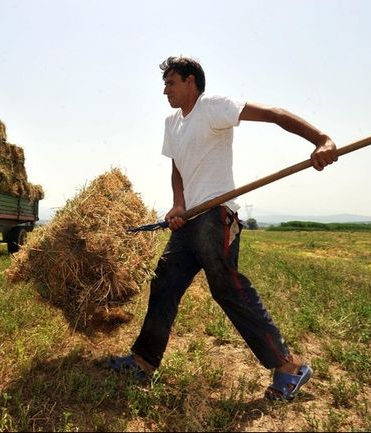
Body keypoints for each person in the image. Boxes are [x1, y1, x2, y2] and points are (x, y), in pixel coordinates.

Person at [109, 56, 338, 401]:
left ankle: (289, 367)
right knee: (164, 282)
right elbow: (177, 169)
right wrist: (178, 204)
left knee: (227, 288)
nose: (164, 90)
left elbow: (275, 114)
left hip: (216, 215)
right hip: (188, 221)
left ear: (190, 82)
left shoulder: (213, 107)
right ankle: (143, 361)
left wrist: (321, 139)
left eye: (170, 82)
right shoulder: (172, 122)